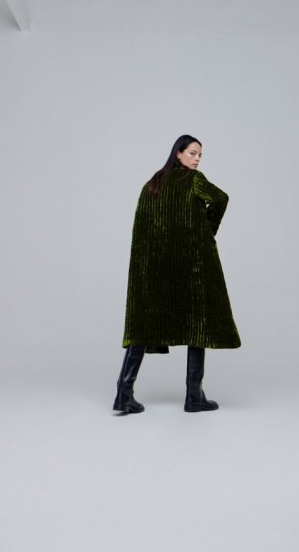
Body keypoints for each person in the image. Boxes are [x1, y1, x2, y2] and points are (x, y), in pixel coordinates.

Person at [113, 134, 241, 414]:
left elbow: (141, 231)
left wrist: (144, 270)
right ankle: (194, 396)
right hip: (191, 266)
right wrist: (206, 231)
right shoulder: (193, 180)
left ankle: (124, 393)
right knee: (197, 324)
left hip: (156, 268)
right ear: (178, 153)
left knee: (143, 326)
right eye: (193, 153)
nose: (197, 159)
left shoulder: (152, 184)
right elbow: (221, 198)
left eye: (200, 155)